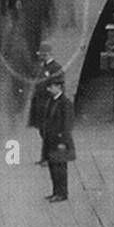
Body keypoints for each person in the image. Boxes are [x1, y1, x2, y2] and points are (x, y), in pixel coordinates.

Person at [40, 73, 75, 203]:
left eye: (51, 87)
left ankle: (62, 193)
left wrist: (62, 141)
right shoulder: (52, 101)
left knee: (60, 168)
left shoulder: (65, 103)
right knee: (53, 168)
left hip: (60, 142)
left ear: (58, 87)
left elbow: (67, 124)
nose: (49, 89)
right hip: (51, 140)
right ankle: (56, 192)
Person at [29, 48, 63, 164]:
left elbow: (58, 86)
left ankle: (50, 156)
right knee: (43, 131)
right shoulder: (41, 67)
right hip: (40, 103)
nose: (40, 56)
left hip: (49, 103)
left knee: (48, 131)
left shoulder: (56, 68)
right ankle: (46, 156)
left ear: (48, 54)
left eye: (42, 54)